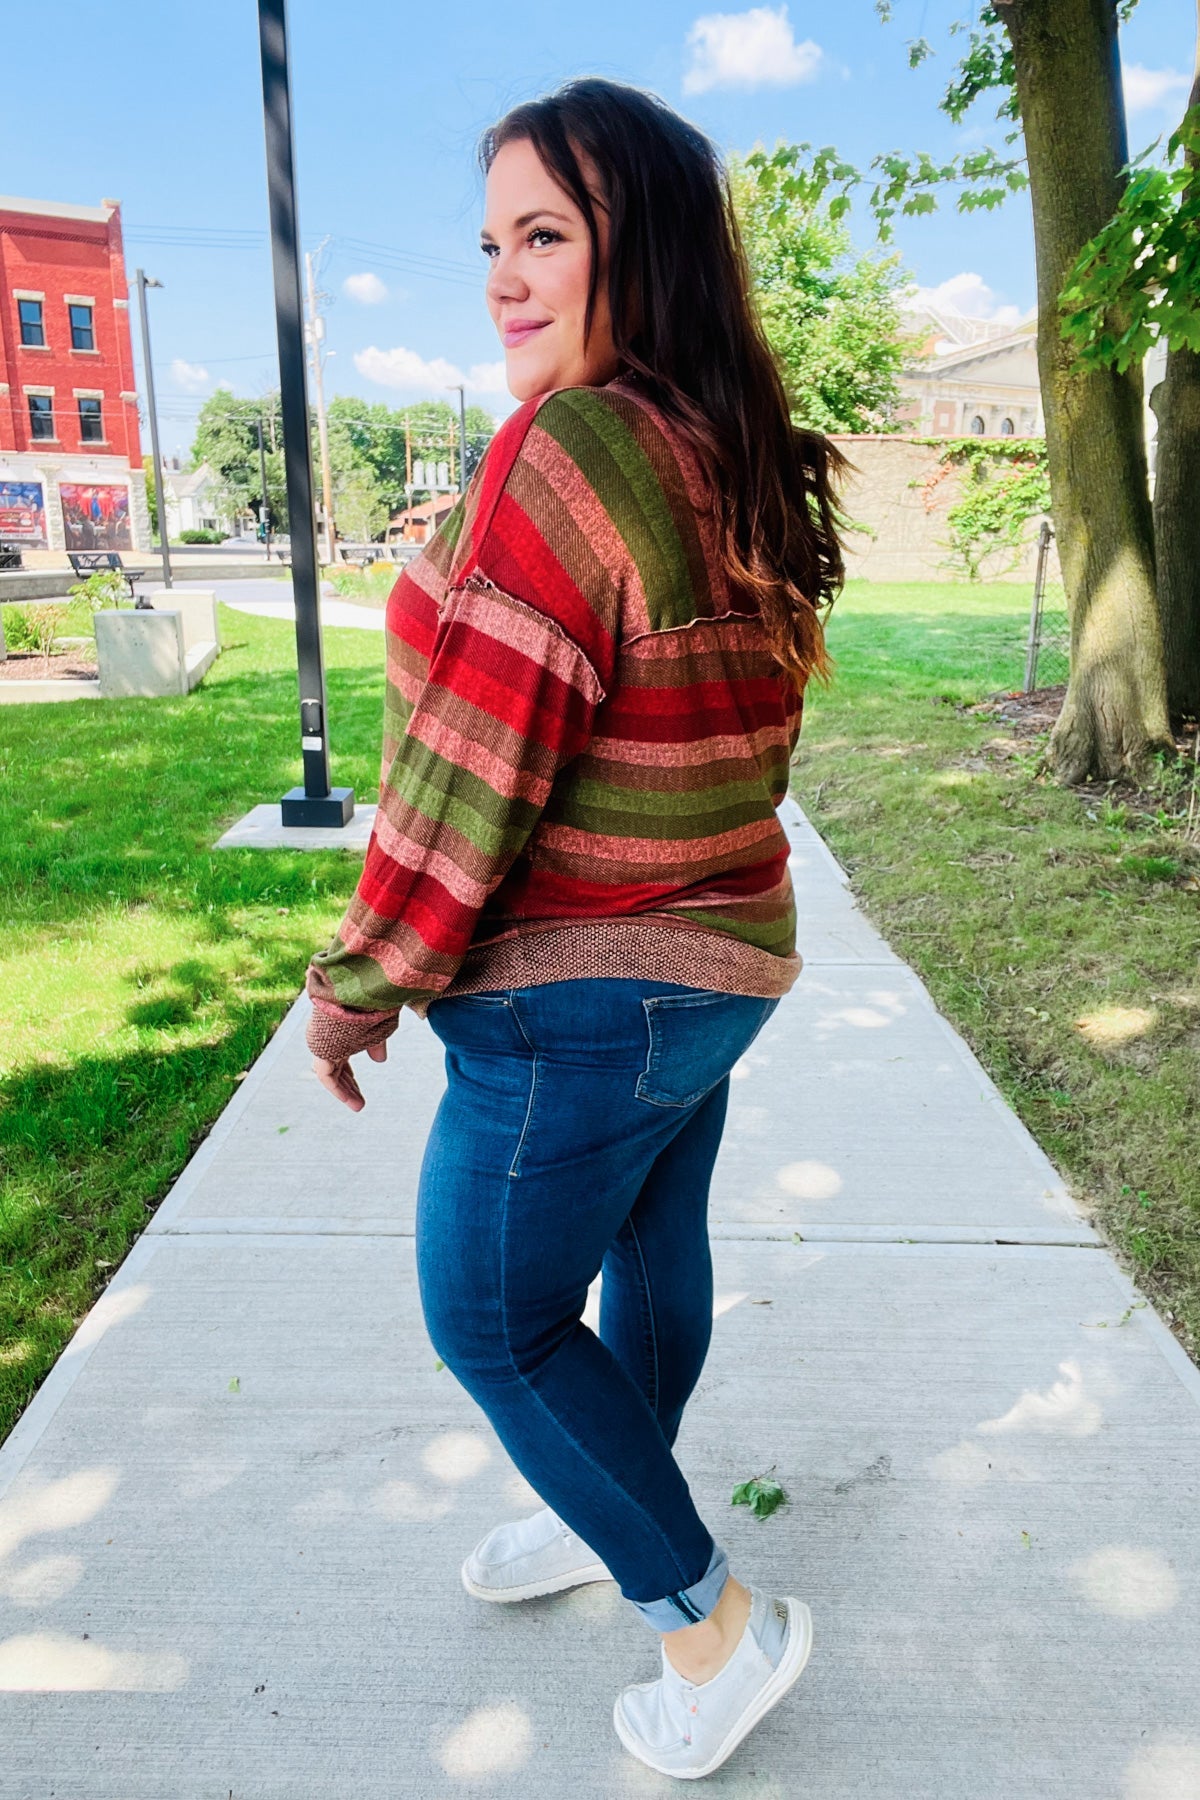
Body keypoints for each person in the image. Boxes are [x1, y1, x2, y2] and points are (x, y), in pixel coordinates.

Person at [306, 77, 846, 1781]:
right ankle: (608, 1499)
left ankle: (711, 1626)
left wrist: (361, 982)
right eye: (489, 244)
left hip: (580, 987)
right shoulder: (727, 448)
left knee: (493, 1319)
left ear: (645, 245)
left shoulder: (573, 447)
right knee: (648, 1249)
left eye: (544, 235)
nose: (504, 278)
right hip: (718, 965)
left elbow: (470, 763)